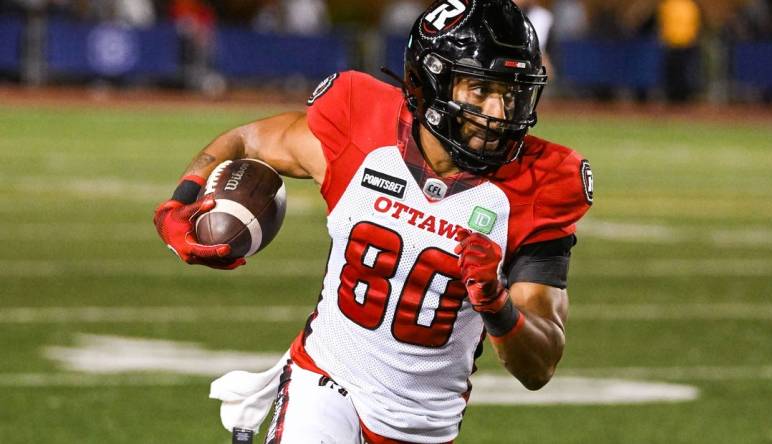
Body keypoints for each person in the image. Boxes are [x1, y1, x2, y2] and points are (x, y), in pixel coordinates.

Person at [153, 0, 593, 442]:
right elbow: (247, 140)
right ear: (429, 81)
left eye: (511, 93)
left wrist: (496, 302)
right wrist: (182, 201)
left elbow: (541, 365)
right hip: (325, 380)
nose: (499, 114)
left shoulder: (541, 182)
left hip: (421, 423)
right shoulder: (361, 124)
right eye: (480, 90)